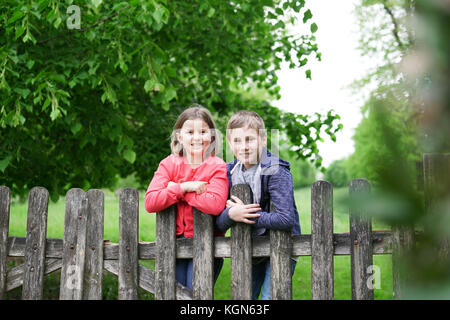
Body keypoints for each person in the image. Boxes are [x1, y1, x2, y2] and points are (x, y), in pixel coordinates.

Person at [216, 110, 301, 300]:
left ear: (263, 140)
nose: (244, 146)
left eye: (250, 139)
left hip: (281, 246)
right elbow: (218, 223)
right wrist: (231, 215)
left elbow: (286, 219)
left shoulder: (276, 170)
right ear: (230, 143)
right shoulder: (228, 173)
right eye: (237, 141)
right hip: (249, 246)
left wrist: (246, 215)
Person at [144, 104, 228, 291]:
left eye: (203, 132)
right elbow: (151, 202)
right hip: (171, 245)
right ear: (179, 137)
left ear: (212, 137)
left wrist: (177, 190)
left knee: (196, 293)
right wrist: (185, 187)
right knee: (172, 292)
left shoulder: (217, 166)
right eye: (190, 132)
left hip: (206, 245)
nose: (197, 137)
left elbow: (215, 204)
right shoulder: (168, 164)